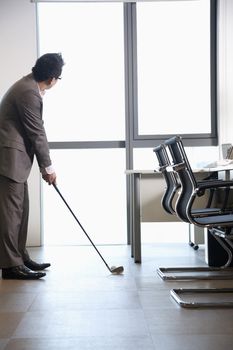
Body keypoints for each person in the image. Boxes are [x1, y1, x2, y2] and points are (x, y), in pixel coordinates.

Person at [0, 53, 65, 280]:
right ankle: (10, 266)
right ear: (51, 78)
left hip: (17, 160)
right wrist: (48, 168)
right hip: (9, 159)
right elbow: (36, 132)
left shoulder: (29, 86)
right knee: (11, 215)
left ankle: (20, 257)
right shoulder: (28, 92)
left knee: (21, 210)